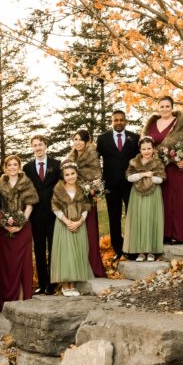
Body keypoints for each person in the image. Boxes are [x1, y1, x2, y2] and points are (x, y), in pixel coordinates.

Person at [143, 96, 183, 243]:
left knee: (178, 197)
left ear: (172, 107)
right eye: (162, 106)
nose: (165, 109)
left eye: (167, 106)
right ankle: (166, 234)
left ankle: (181, 233)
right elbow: (145, 146)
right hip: (159, 167)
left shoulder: (180, 123)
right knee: (163, 198)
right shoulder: (151, 124)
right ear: (158, 108)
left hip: (177, 166)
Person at [96, 110, 140, 260]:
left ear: (125, 121)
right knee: (113, 218)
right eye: (116, 120)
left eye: (121, 120)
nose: (119, 122)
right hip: (111, 185)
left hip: (130, 184)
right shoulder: (102, 139)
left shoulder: (134, 138)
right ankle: (118, 250)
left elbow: (141, 159)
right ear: (111, 121)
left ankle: (132, 248)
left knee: (131, 216)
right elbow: (94, 160)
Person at [0, 155, 39, 302]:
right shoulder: (0, 184)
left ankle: (21, 298)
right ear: (5, 167)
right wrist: (5, 223)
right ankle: (6, 298)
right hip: (5, 228)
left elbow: (29, 205)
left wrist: (20, 224)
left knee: (21, 262)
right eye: (10, 165)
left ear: (19, 166)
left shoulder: (26, 182)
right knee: (7, 264)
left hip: (23, 227)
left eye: (15, 164)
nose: (13, 167)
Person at [65, 129, 106, 277]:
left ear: (87, 141)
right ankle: (77, 267)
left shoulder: (92, 155)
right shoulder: (70, 157)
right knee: (76, 233)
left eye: (80, 139)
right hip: (73, 200)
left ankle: (93, 266)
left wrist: (88, 188)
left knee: (89, 233)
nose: (77, 142)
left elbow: (97, 176)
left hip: (87, 200)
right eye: (75, 139)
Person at [24, 135, 61, 295]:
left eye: (40, 144)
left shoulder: (56, 164)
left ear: (46, 146)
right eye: (35, 145)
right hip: (36, 215)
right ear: (32, 148)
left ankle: (53, 283)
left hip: (53, 213)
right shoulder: (27, 168)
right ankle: (42, 283)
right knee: (39, 249)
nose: (38, 148)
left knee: (53, 248)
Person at [50, 164, 94, 296]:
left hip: (79, 224)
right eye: (67, 175)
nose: (70, 177)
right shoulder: (58, 189)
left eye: (72, 174)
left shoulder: (82, 189)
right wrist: (67, 222)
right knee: (66, 253)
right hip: (64, 225)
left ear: (77, 174)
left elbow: (86, 207)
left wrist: (79, 222)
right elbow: (55, 208)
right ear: (63, 177)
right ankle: (65, 285)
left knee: (77, 252)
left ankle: (73, 284)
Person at [124, 137, 166, 261]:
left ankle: (151, 251)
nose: (146, 151)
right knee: (139, 220)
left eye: (149, 148)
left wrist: (151, 177)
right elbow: (129, 178)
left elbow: (161, 179)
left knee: (151, 219)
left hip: (153, 193)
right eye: (144, 149)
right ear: (140, 150)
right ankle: (141, 252)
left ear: (153, 149)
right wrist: (143, 174)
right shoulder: (134, 162)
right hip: (137, 194)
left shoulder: (158, 163)